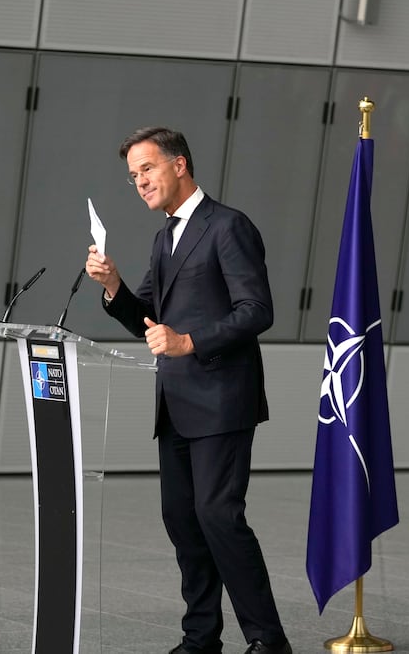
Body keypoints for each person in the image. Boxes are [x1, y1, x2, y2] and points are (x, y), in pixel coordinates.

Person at [85, 127, 292, 654]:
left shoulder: (228, 226)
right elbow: (148, 321)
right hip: (175, 403)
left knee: (219, 516)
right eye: (133, 176)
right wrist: (113, 287)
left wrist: (190, 341)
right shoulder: (164, 239)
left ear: (179, 164)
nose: (140, 183)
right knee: (182, 519)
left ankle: (268, 640)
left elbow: (257, 311)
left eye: (147, 169)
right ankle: (201, 637)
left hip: (222, 398)